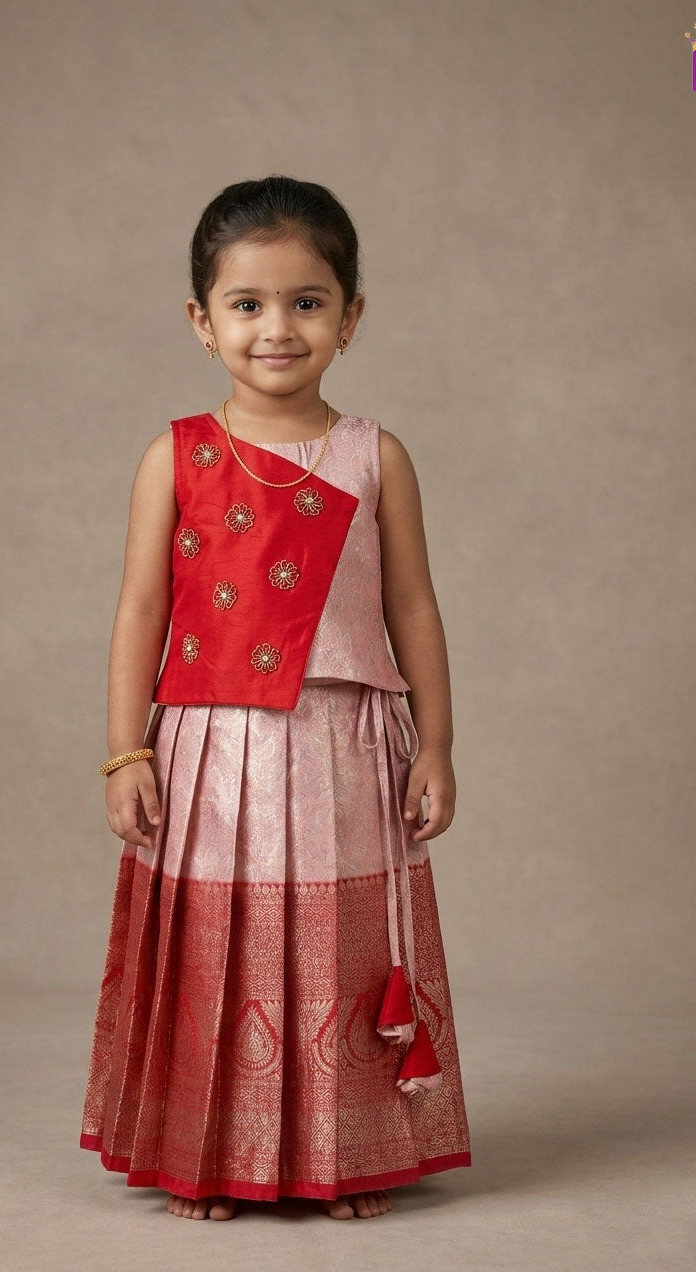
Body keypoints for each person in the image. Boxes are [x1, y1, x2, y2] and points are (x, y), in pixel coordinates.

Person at [79, 174, 472, 1221]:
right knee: (223, 948)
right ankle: (210, 1155)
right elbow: (139, 612)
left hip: (345, 742)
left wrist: (434, 746)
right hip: (212, 752)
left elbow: (415, 610)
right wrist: (128, 752)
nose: (277, 327)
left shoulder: (375, 456)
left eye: (307, 301)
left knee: (335, 954)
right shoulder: (174, 456)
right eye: (247, 304)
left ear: (350, 315)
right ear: (201, 322)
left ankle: (342, 1154)